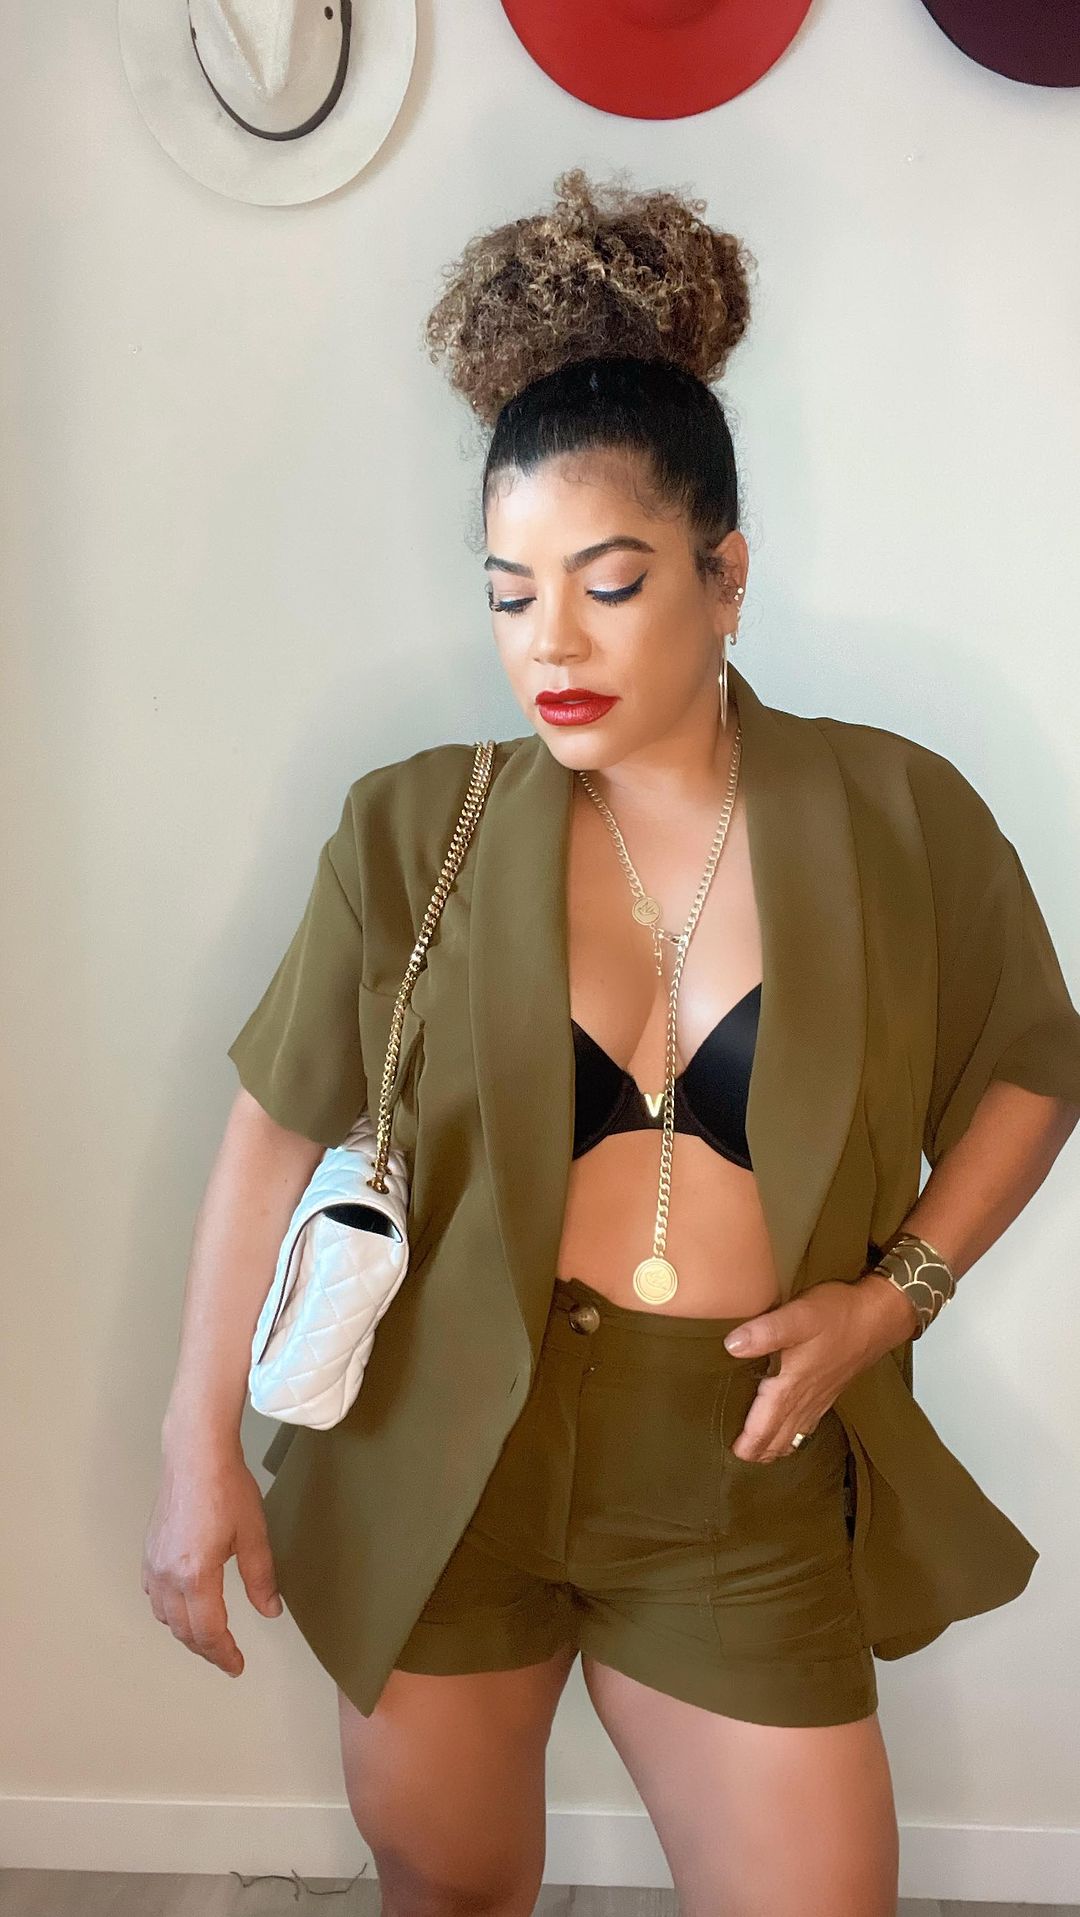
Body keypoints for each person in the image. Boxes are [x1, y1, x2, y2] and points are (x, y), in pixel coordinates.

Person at [143, 170, 1080, 1917]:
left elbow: (1035, 1061)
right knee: (449, 1886)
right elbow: (273, 1124)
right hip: (442, 1450)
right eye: (510, 594)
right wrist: (196, 1449)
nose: (549, 644)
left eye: (611, 581)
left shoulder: (896, 813)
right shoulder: (414, 825)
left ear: (726, 576)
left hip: (736, 1468)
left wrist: (895, 1298)